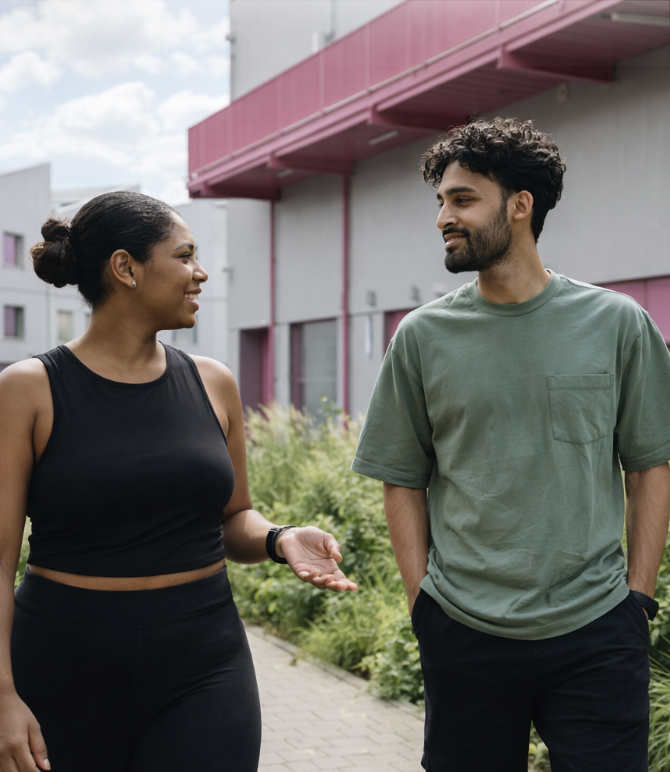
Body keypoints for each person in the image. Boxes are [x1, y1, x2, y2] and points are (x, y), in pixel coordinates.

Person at [352, 117, 670, 771]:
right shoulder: (422, 336)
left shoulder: (617, 324)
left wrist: (638, 596)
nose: (444, 216)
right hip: (464, 628)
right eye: (441, 201)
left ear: (520, 206)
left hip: (597, 626)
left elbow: (649, 466)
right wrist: (424, 608)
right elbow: (401, 478)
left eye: (463, 199)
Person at [0, 191, 357, 772]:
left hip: (203, 662)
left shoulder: (213, 383)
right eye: (185, 255)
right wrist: (1, 695)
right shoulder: (28, 389)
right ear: (126, 268)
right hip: (63, 664)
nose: (201, 272)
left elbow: (235, 517)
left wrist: (279, 538)